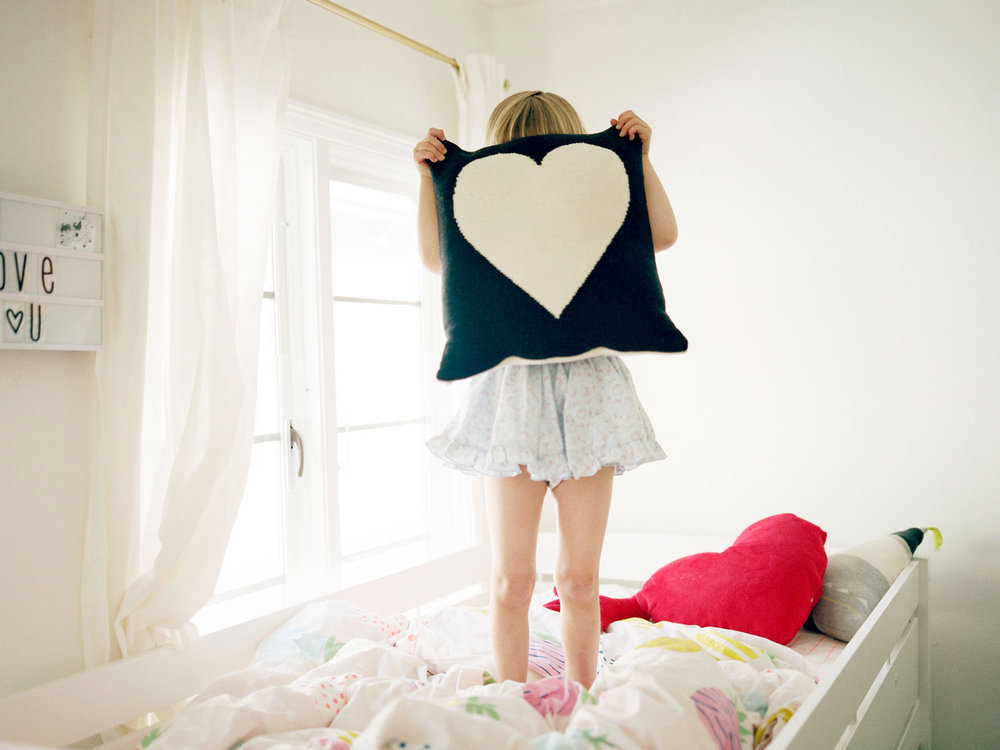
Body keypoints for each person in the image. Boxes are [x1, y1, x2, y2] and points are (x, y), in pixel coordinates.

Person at [412, 91, 678, 689]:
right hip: (510, 393)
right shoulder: (486, 203)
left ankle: (583, 699)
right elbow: (437, 258)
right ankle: (512, 699)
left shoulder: (593, 201)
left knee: (580, 579)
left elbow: (661, 235)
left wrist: (641, 159)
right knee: (511, 577)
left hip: (589, 387)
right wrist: (429, 180)